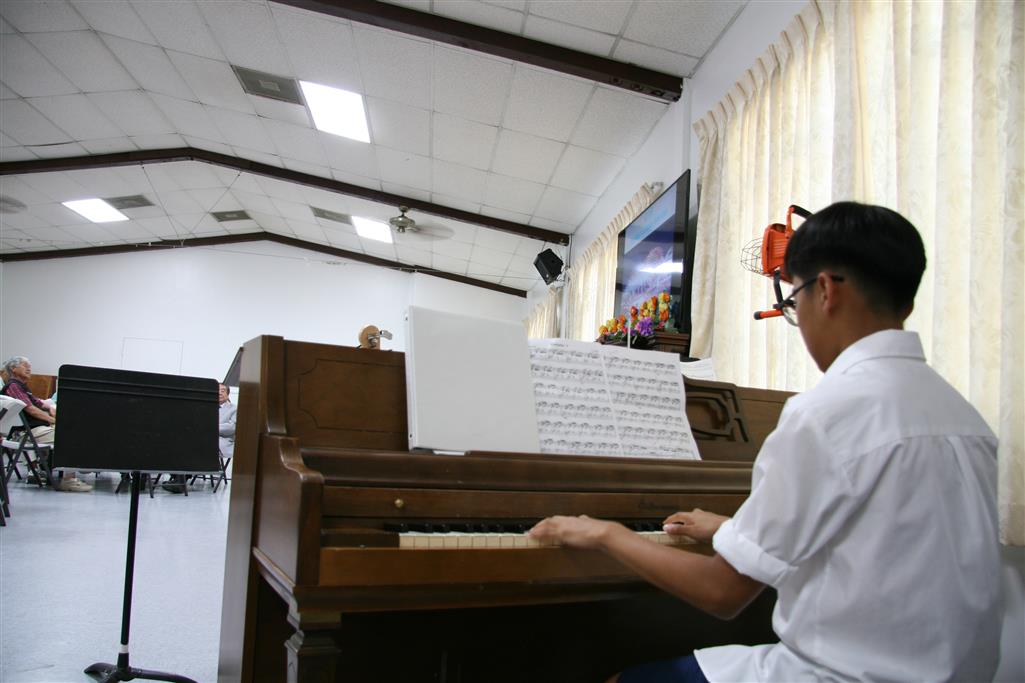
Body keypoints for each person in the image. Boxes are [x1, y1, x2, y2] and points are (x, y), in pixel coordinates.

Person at [529, 202, 1001, 682]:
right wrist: (729, 530)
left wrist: (607, 534)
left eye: (792, 303)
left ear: (825, 290)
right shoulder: (966, 418)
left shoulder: (823, 413)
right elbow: (875, 544)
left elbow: (721, 593)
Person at [1, 356, 92, 492]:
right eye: (25, 365)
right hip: (27, 432)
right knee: (71, 438)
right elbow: (31, 409)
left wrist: (49, 408)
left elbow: (38, 402)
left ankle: (64, 472)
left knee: (72, 432)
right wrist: (54, 420)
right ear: (13, 369)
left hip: (34, 430)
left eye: (29, 366)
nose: (29, 368)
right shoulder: (14, 386)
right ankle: (69, 480)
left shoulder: (21, 387)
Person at [163, 382, 235, 493]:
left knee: (191, 446)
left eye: (223, 391)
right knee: (179, 443)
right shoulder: (206, 406)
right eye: (217, 391)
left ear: (228, 394)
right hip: (201, 439)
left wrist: (209, 426)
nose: (220, 393)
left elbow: (232, 427)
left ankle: (181, 480)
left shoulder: (234, 409)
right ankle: (179, 478)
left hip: (222, 440)